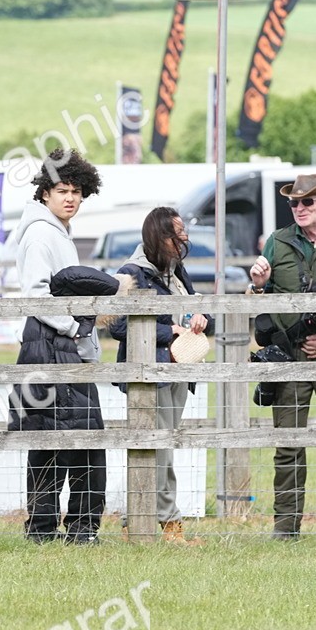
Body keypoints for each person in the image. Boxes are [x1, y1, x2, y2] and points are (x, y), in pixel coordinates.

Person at [7, 148, 106, 544]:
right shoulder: (40, 235)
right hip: (50, 346)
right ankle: (62, 529)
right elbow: (36, 293)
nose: (71, 198)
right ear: (44, 193)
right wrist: (75, 329)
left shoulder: (57, 231)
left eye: (77, 191)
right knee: (64, 441)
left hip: (61, 346)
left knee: (73, 439)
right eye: (62, 189)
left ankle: (60, 529)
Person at [247, 173, 316, 540]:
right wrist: (257, 286)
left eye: (308, 201)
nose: (300, 208)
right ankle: (285, 529)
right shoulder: (277, 242)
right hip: (289, 357)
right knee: (288, 444)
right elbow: (259, 301)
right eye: (294, 202)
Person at [108, 207, 210, 545]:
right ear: (158, 236)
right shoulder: (132, 272)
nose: (183, 241)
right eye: (176, 234)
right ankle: (170, 525)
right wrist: (172, 330)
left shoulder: (175, 271)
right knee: (159, 450)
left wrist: (200, 317)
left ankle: (132, 523)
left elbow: (192, 305)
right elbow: (119, 325)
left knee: (156, 449)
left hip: (177, 369)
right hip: (150, 374)